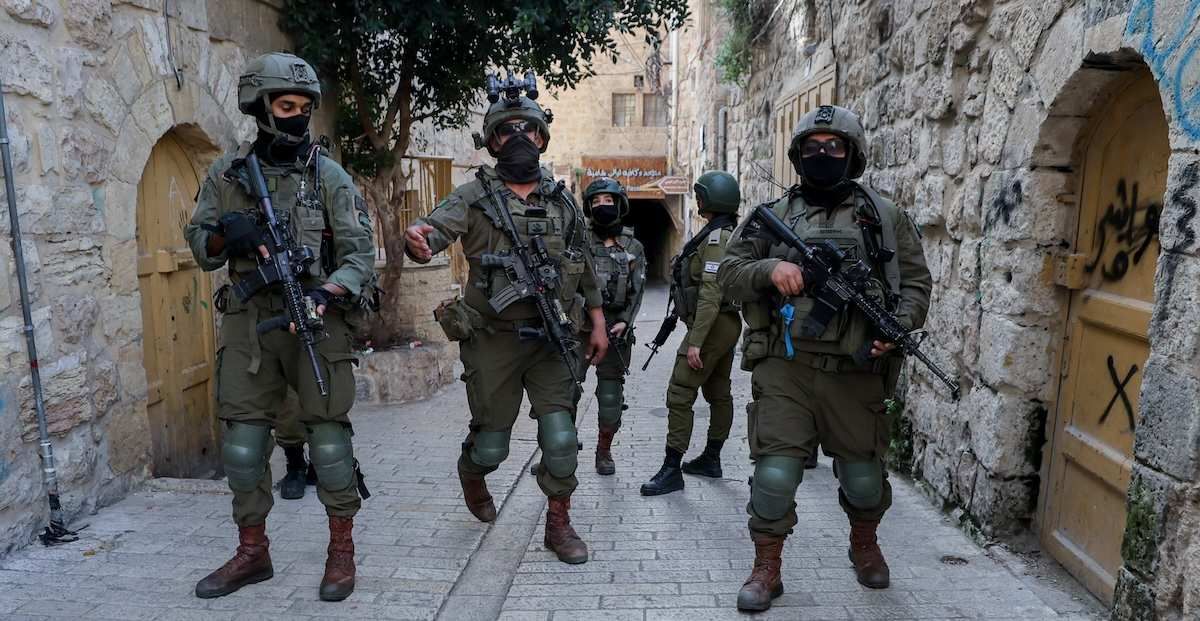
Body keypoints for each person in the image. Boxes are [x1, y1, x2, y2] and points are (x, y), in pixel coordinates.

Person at [718, 104, 931, 611]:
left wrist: (896, 331)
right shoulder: (774, 215)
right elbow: (728, 272)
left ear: (853, 154)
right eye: (812, 147)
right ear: (796, 155)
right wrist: (770, 269)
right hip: (784, 369)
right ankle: (766, 566)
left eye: (834, 146)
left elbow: (917, 286)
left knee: (863, 480)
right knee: (774, 476)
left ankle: (864, 544)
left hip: (857, 371)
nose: (822, 154)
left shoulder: (885, 217)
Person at [184, 52, 376, 602]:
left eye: (304, 107)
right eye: (285, 105)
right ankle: (253, 553)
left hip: (316, 323)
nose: (296, 116)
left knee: (330, 444)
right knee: (243, 448)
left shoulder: (328, 175)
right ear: (261, 107)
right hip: (248, 328)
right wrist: (229, 233)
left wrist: (324, 291)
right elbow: (200, 248)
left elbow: (361, 255)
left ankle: (342, 552)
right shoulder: (225, 176)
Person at [403, 76, 608, 565]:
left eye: (528, 130)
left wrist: (597, 321)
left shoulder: (561, 201)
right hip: (493, 340)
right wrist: (421, 238)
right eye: (506, 131)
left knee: (561, 439)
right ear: (492, 142)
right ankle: (472, 470)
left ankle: (559, 525)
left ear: (541, 138)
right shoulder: (473, 197)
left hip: (552, 339)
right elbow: (434, 230)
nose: (519, 139)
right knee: (492, 445)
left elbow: (583, 265)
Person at [639, 171, 742, 496]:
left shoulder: (716, 241)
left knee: (680, 392)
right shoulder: (717, 234)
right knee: (718, 392)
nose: (697, 199)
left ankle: (672, 469)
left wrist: (696, 341)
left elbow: (711, 293)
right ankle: (710, 459)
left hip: (711, 325)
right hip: (721, 325)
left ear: (712, 199)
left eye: (701, 194)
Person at [575, 178, 646, 474]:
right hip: (579, 328)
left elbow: (637, 291)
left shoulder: (633, 246)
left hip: (616, 330)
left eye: (608, 201)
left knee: (610, 397)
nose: (602, 206)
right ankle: (557, 449)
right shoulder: (578, 241)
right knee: (562, 391)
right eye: (596, 202)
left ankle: (603, 452)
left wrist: (626, 323)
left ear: (619, 204)